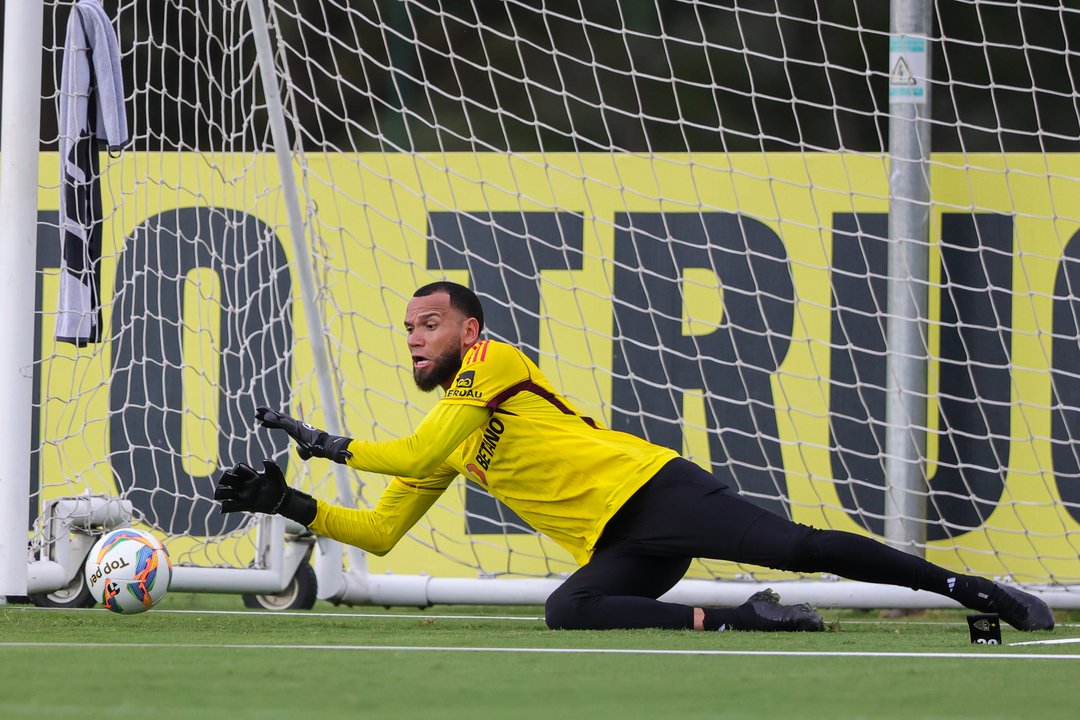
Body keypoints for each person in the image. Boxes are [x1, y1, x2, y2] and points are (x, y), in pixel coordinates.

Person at [214, 281, 1054, 633]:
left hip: (652, 492)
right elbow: (380, 532)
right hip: (623, 547)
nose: (414, 339)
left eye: (427, 325)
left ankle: (970, 589)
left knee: (799, 548)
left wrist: (327, 444)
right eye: (406, 331)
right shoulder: (450, 435)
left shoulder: (495, 363)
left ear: (467, 331)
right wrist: (287, 503)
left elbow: (422, 445)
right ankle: (741, 623)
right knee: (566, 612)